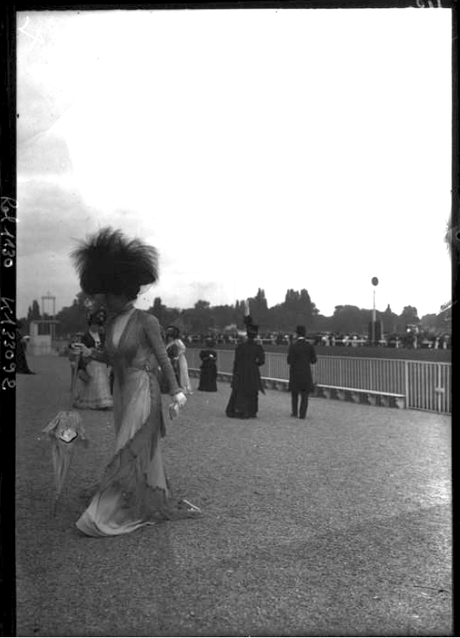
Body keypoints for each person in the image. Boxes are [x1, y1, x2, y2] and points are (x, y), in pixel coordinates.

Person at [70, 227, 200, 537]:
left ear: (122, 291)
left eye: (108, 295)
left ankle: (112, 508)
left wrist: (177, 390)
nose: (104, 300)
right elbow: (112, 356)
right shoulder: (113, 321)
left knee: (130, 442)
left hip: (144, 387)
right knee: (128, 442)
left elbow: (163, 357)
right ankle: (139, 494)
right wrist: (91, 352)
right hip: (122, 388)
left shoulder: (147, 321)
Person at [226, 315, 265, 419]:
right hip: (253, 371)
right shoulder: (258, 347)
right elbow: (262, 361)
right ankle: (252, 411)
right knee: (253, 391)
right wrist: (254, 363)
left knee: (240, 391)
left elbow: (236, 361)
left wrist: (235, 372)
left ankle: (240, 410)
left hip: (241, 371)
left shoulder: (240, 347)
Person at [72, 311, 113, 410]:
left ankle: (104, 400)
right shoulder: (85, 338)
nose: (95, 327)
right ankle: (101, 402)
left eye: (97, 325)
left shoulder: (103, 337)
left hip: (102, 361)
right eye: (93, 325)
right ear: (90, 325)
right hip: (89, 362)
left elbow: (106, 349)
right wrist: (83, 366)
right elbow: (82, 353)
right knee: (98, 370)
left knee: (103, 369)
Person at [287, 325, 317, 419]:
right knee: (305, 395)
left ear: (297, 333)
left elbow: (289, 361)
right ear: (305, 333)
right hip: (305, 372)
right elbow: (313, 360)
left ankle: (294, 412)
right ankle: (302, 414)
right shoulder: (309, 346)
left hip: (295, 372)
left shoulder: (293, 346)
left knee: (294, 394)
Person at [165, 325, 193, 395]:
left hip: (180, 358)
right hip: (172, 358)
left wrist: (177, 354)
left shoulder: (178, 341)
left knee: (182, 372)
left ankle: (184, 387)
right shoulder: (169, 343)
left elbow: (183, 348)